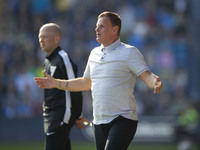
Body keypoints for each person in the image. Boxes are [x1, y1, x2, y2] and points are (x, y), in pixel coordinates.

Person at [35, 12, 163, 150]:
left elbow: (147, 76)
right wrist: (56, 83)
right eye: (97, 26)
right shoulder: (94, 53)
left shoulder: (130, 52)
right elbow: (85, 83)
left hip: (122, 119)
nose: (97, 29)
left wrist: (154, 83)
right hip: (99, 123)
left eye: (102, 26)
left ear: (115, 30)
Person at [37, 23, 89, 150]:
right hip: (51, 115)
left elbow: (76, 87)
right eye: (39, 37)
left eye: (45, 37)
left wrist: (78, 115)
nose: (41, 40)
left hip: (60, 114)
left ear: (56, 39)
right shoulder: (48, 60)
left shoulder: (63, 59)